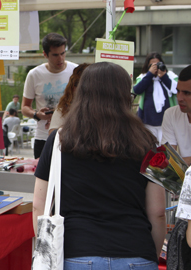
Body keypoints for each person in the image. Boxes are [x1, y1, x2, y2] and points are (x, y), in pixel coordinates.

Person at [33, 62, 165, 269]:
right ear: (124, 96)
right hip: (136, 251)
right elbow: (157, 211)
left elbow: (38, 206)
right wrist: (152, 256)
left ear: (81, 94)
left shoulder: (59, 140)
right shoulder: (149, 143)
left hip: (75, 253)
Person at [21, 33, 77, 158]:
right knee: (42, 177)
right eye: (55, 55)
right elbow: (24, 107)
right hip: (43, 137)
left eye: (63, 53)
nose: (60, 59)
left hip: (71, 136)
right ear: (45, 54)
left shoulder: (75, 71)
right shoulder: (34, 74)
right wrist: (37, 115)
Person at [133, 52, 178, 142]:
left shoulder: (170, 76)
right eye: (152, 65)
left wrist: (163, 76)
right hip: (148, 120)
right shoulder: (144, 77)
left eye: (157, 64)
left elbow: (176, 89)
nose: (155, 67)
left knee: (165, 147)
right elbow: (137, 90)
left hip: (166, 121)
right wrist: (149, 75)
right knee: (151, 147)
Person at [161, 65, 191, 165]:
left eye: (186, 93)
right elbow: (168, 158)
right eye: (178, 91)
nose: (179, 98)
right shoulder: (171, 114)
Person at [48, 63, 90, 134]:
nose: (80, 90)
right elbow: (54, 136)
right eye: (76, 84)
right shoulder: (64, 108)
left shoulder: (104, 108)